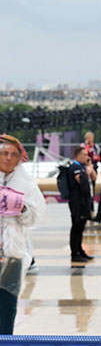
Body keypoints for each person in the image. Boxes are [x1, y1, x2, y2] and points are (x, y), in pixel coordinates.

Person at [0, 135, 45, 333]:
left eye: (13, 154)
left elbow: (37, 214)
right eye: (4, 153)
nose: (8, 158)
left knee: (7, 304)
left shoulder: (25, 183)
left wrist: (21, 209)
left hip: (12, 253)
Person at [67, 145, 94, 264]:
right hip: (77, 202)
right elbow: (82, 182)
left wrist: (90, 168)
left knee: (81, 227)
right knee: (76, 227)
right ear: (78, 156)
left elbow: (94, 178)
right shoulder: (74, 168)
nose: (87, 157)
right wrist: (86, 173)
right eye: (84, 155)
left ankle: (80, 250)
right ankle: (75, 253)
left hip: (84, 202)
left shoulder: (82, 167)